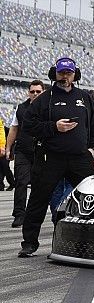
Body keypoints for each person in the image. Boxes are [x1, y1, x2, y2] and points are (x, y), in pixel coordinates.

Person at [19, 57, 94, 258]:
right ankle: (29, 243)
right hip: (50, 157)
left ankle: (92, 242)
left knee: (92, 198)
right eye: (62, 72)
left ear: (75, 75)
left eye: (69, 72)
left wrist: (92, 147)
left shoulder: (85, 97)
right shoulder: (44, 99)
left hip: (79, 157)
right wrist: (54, 127)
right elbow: (28, 126)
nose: (65, 76)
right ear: (54, 74)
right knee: (38, 199)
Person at [6, 80, 45, 227]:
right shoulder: (21, 108)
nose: (35, 94)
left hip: (41, 151)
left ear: (43, 92)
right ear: (28, 92)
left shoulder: (48, 107)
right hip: (23, 150)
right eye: (32, 91)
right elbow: (14, 128)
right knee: (21, 182)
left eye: (38, 91)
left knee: (38, 185)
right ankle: (19, 214)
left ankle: (33, 215)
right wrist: (8, 148)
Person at [0, 120, 14, 191]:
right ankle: (1, 185)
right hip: (2, 151)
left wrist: (10, 152)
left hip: (5, 151)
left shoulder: (6, 130)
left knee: (5, 168)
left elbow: (12, 141)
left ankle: (12, 183)